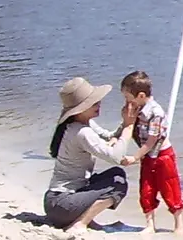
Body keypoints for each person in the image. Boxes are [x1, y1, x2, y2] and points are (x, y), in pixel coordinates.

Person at [45, 77, 138, 232]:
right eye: (94, 103)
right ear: (80, 109)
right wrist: (129, 127)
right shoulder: (82, 132)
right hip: (61, 203)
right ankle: (81, 223)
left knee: (116, 174)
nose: (99, 104)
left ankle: (84, 219)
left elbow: (109, 137)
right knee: (118, 184)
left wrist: (124, 122)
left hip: (60, 201)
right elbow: (116, 157)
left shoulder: (81, 124)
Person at [119, 70, 183, 235]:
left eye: (128, 97)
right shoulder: (137, 109)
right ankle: (150, 224)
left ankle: (178, 224)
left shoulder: (155, 113)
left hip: (162, 156)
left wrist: (134, 157)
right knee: (146, 189)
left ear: (141, 96)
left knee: (170, 188)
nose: (127, 102)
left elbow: (152, 140)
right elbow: (128, 128)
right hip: (147, 156)